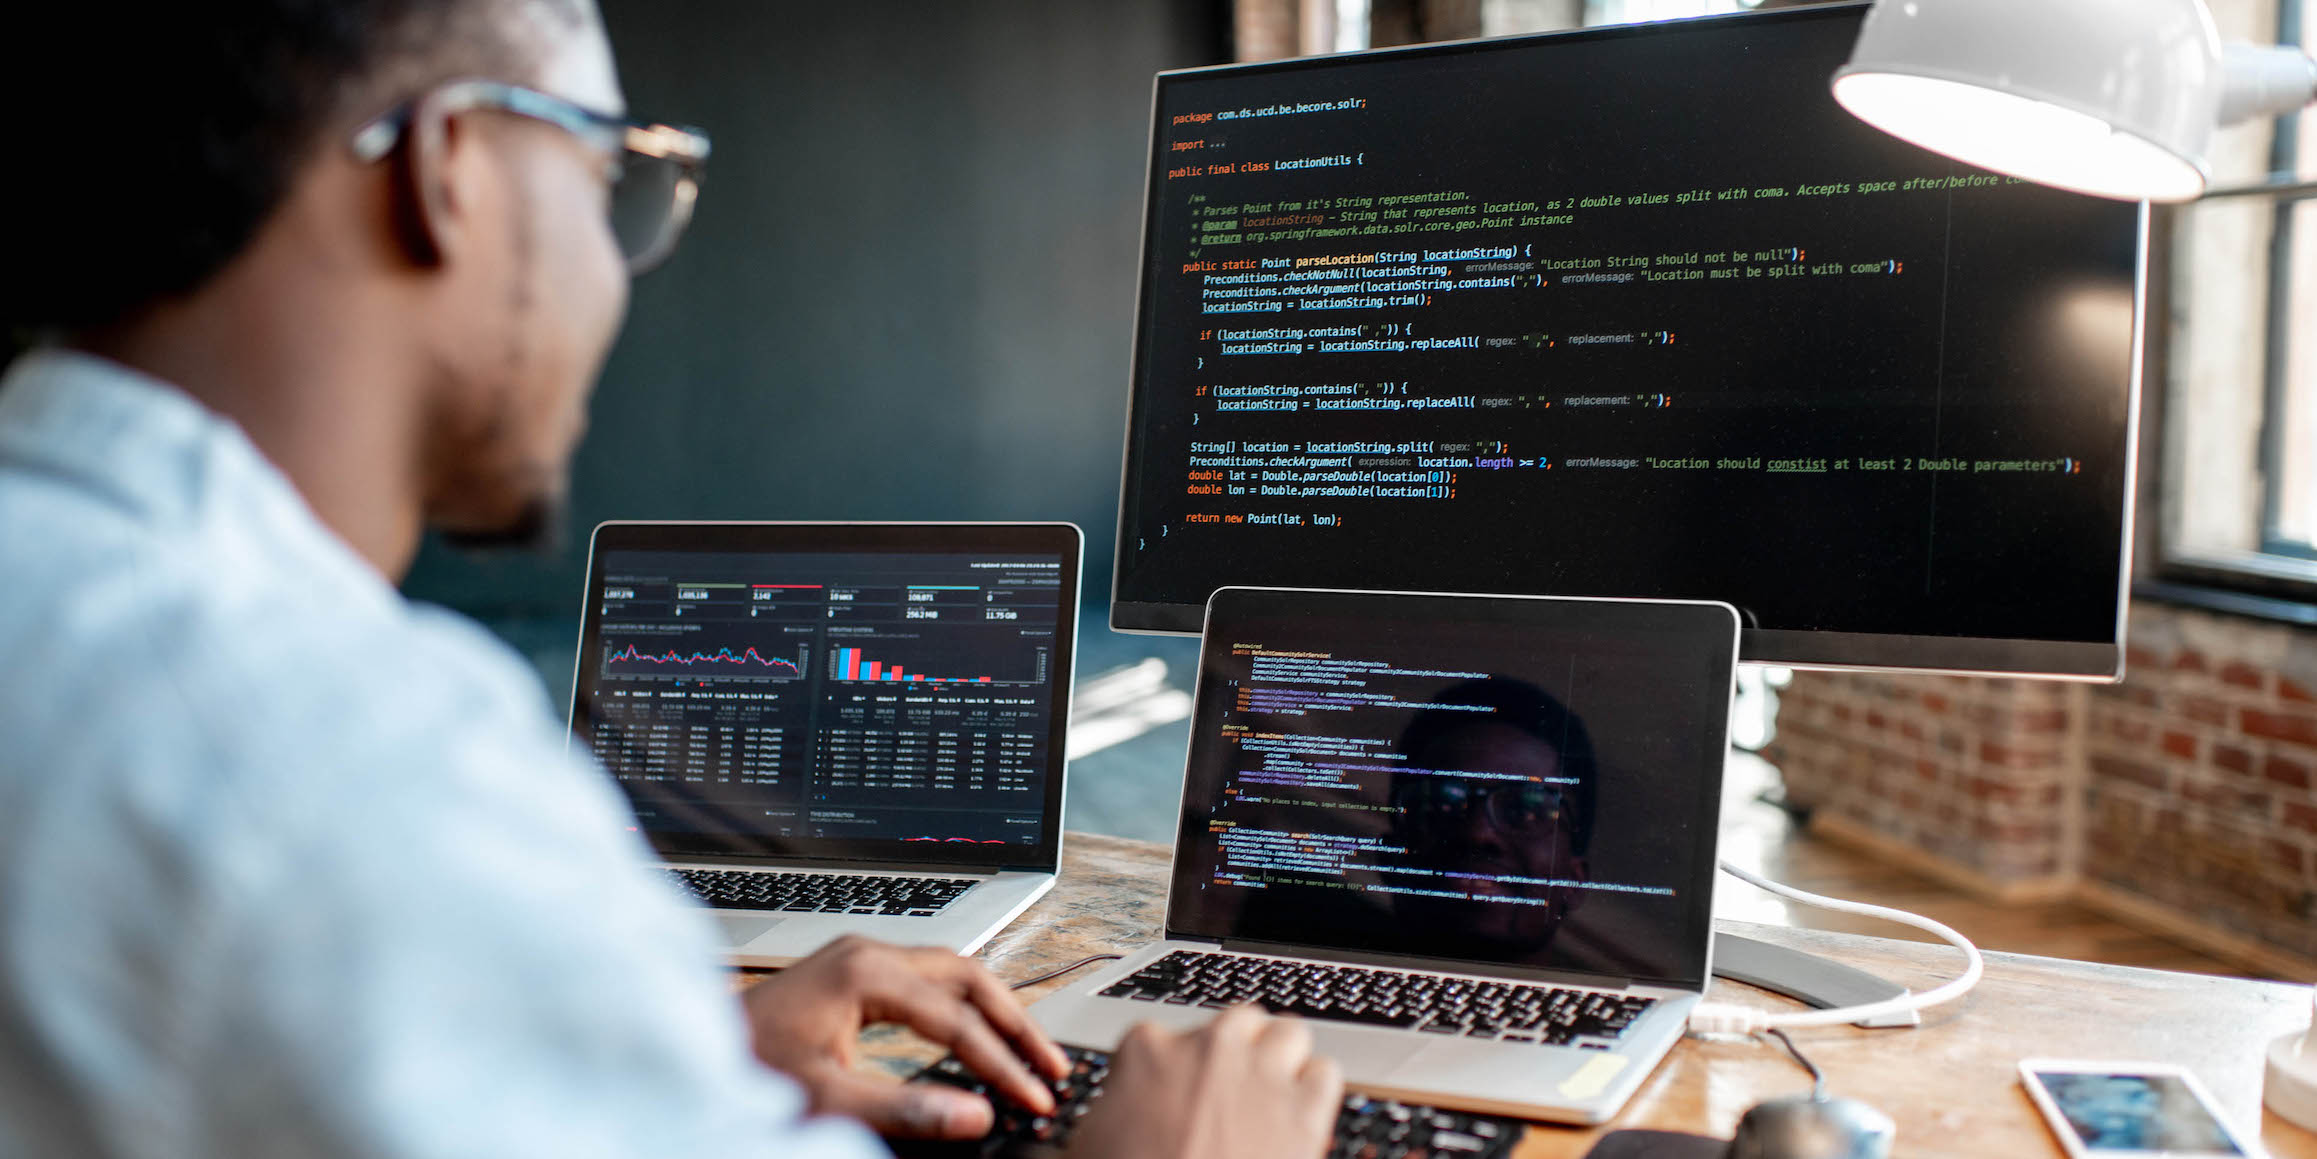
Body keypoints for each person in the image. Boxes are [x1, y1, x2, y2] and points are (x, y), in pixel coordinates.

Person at [0, 2, 1340, 1156]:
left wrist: (663, 1054)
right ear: (448, 165)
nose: (617, 268)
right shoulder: (362, 763)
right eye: (609, 182)